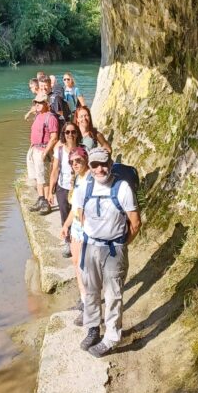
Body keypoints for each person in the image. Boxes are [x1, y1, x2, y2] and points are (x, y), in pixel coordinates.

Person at [72, 146, 141, 357]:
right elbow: (80, 215)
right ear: (90, 167)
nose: (100, 169)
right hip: (90, 246)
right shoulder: (84, 188)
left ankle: (111, 338)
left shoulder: (123, 189)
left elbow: (135, 223)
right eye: (95, 164)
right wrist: (92, 235)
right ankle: (93, 329)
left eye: (104, 164)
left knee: (113, 295)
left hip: (113, 249)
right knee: (91, 291)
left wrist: (120, 244)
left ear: (110, 164)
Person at [61, 146, 90, 323]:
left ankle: (89, 308)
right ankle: (84, 300)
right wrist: (66, 225)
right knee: (76, 264)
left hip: (86, 229)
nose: (75, 164)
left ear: (85, 159)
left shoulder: (90, 180)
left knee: (83, 268)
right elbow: (74, 208)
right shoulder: (78, 179)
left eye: (78, 160)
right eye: (72, 162)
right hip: (76, 228)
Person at [48, 120, 83, 255]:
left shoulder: (83, 149)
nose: (70, 134)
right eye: (67, 132)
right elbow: (55, 170)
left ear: (77, 133)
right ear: (63, 134)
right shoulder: (60, 151)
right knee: (64, 215)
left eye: (73, 132)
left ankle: (80, 240)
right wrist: (51, 192)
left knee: (79, 214)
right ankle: (67, 242)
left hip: (79, 188)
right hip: (63, 188)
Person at [26, 94, 59, 214]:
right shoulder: (39, 116)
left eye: (40, 103)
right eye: (36, 103)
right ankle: (41, 199)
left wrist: (45, 152)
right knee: (37, 177)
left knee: (44, 178)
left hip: (43, 150)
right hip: (34, 149)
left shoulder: (51, 118)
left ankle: (47, 202)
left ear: (47, 103)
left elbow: (54, 137)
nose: (37, 105)